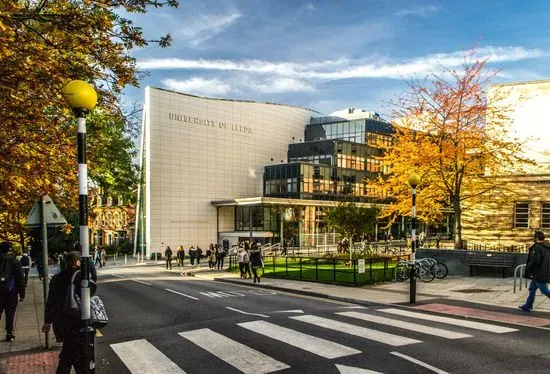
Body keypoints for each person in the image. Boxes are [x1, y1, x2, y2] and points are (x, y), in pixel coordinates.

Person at [42, 251, 96, 373]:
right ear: (78, 262)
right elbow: (92, 290)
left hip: (60, 322)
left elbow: (50, 301)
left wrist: (47, 321)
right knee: (72, 355)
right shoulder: (80, 277)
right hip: (76, 320)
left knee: (71, 352)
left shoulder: (56, 277)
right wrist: (88, 269)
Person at [0, 242, 25, 342]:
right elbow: (20, 279)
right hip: (11, 291)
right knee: (10, 312)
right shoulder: (14, 261)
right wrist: (22, 294)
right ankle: (9, 333)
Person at [519, 230, 550, 312]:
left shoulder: (538, 247)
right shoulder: (546, 246)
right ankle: (528, 305)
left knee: (545, 290)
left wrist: (529, 267)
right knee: (532, 289)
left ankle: (528, 306)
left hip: (538, 273)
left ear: (536, 238)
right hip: (543, 271)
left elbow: (535, 261)